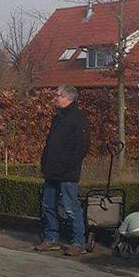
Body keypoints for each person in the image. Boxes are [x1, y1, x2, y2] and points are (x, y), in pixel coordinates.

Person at [35, 85, 90, 257]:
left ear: (68, 98)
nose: (55, 98)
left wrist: (69, 166)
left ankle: (78, 242)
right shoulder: (57, 118)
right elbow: (50, 142)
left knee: (71, 207)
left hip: (67, 172)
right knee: (48, 205)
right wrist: (45, 162)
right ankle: (51, 238)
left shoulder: (78, 119)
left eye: (58, 95)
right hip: (51, 170)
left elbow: (81, 147)